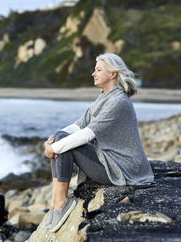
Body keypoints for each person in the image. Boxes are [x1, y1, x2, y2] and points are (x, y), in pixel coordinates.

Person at [43, 53, 154, 233]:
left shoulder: (118, 101)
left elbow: (87, 134)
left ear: (113, 74)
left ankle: (61, 202)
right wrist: (51, 140)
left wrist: (53, 149)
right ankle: (56, 202)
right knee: (60, 136)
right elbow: (79, 125)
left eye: (98, 70)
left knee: (64, 143)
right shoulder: (104, 97)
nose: (93, 73)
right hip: (108, 160)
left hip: (123, 169)